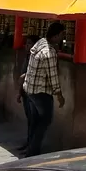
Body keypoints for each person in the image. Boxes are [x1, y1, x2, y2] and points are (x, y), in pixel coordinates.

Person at [22, 23, 66, 157]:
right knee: (45, 121)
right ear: (57, 35)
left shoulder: (40, 43)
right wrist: (59, 95)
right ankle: (33, 152)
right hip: (41, 92)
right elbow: (53, 76)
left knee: (35, 121)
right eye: (62, 35)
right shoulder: (49, 52)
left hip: (29, 90)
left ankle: (30, 148)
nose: (62, 38)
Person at [15, 34, 38, 154]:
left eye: (29, 43)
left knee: (34, 121)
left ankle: (33, 147)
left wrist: (26, 76)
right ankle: (28, 143)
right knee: (30, 120)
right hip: (25, 91)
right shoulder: (28, 56)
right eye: (26, 43)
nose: (27, 46)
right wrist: (19, 93)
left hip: (34, 93)